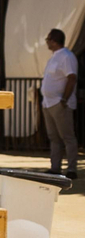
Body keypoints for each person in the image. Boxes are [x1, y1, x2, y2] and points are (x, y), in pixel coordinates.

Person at [42, 27, 78, 178]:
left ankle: (71, 170)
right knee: (54, 138)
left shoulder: (66, 56)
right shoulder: (54, 57)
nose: (47, 42)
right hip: (48, 103)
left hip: (59, 103)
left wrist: (64, 99)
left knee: (67, 137)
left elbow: (71, 78)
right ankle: (55, 168)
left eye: (48, 39)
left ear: (55, 41)